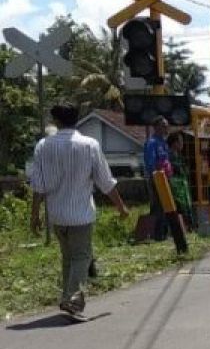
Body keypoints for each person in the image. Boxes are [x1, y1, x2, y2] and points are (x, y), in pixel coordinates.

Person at [28, 104, 130, 316]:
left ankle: (67, 297)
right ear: (76, 119)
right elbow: (106, 181)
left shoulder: (43, 146)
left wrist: (35, 215)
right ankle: (74, 297)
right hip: (81, 214)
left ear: (56, 121)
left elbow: (37, 184)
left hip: (56, 214)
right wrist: (121, 208)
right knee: (82, 256)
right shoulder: (89, 145)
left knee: (68, 257)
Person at [144, 116, 171, 241]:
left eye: (166, 125)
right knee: (158, 206)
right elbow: (150, 163)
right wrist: (156, 176)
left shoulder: (164, 143)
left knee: (166, 206)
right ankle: (155, 234)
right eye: (163, 126)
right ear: (156, 128)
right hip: (157, 179)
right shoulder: (152, 143)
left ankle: (164, 232)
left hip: (166, 178)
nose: (166, 128)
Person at [165, 132, 193, 230]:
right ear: (174, 143)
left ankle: (188, 226)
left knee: (186, 206)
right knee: (179, 206)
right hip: (175, 185)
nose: (182, 144)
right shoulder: (168, 156)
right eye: (180, 141)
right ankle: (180, 227)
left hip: (183, 185)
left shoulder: (180, 156)